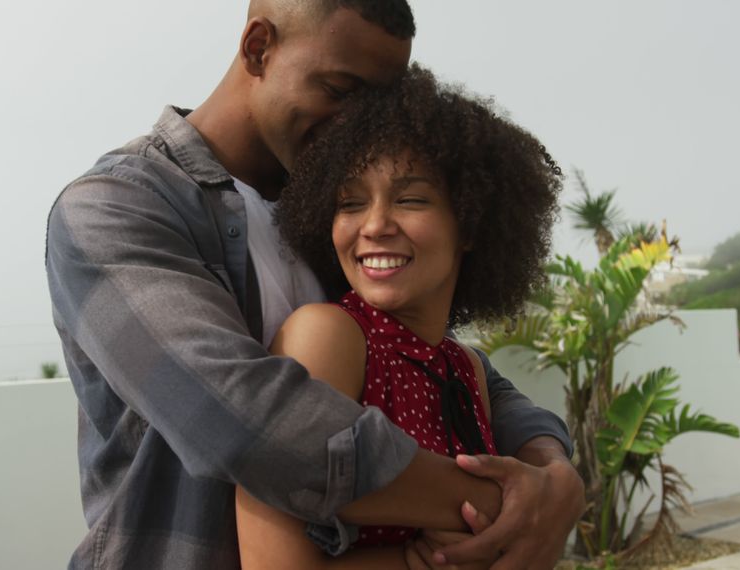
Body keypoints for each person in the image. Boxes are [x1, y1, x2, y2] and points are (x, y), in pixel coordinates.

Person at [45, 1, 584, 568]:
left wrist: (552, 470)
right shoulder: (114, 208)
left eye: (375, 106)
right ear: (259, 47)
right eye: (340, 90)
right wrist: (495, 507)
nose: (355, 125)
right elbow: (244, 421)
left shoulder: (329, 215)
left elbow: (441, 359)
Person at [235, 64, 565, 569]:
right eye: (349, 202)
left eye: (410, 199)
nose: (374, 225)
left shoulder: (464, 368)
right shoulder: (328, 336)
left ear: (471, 223)